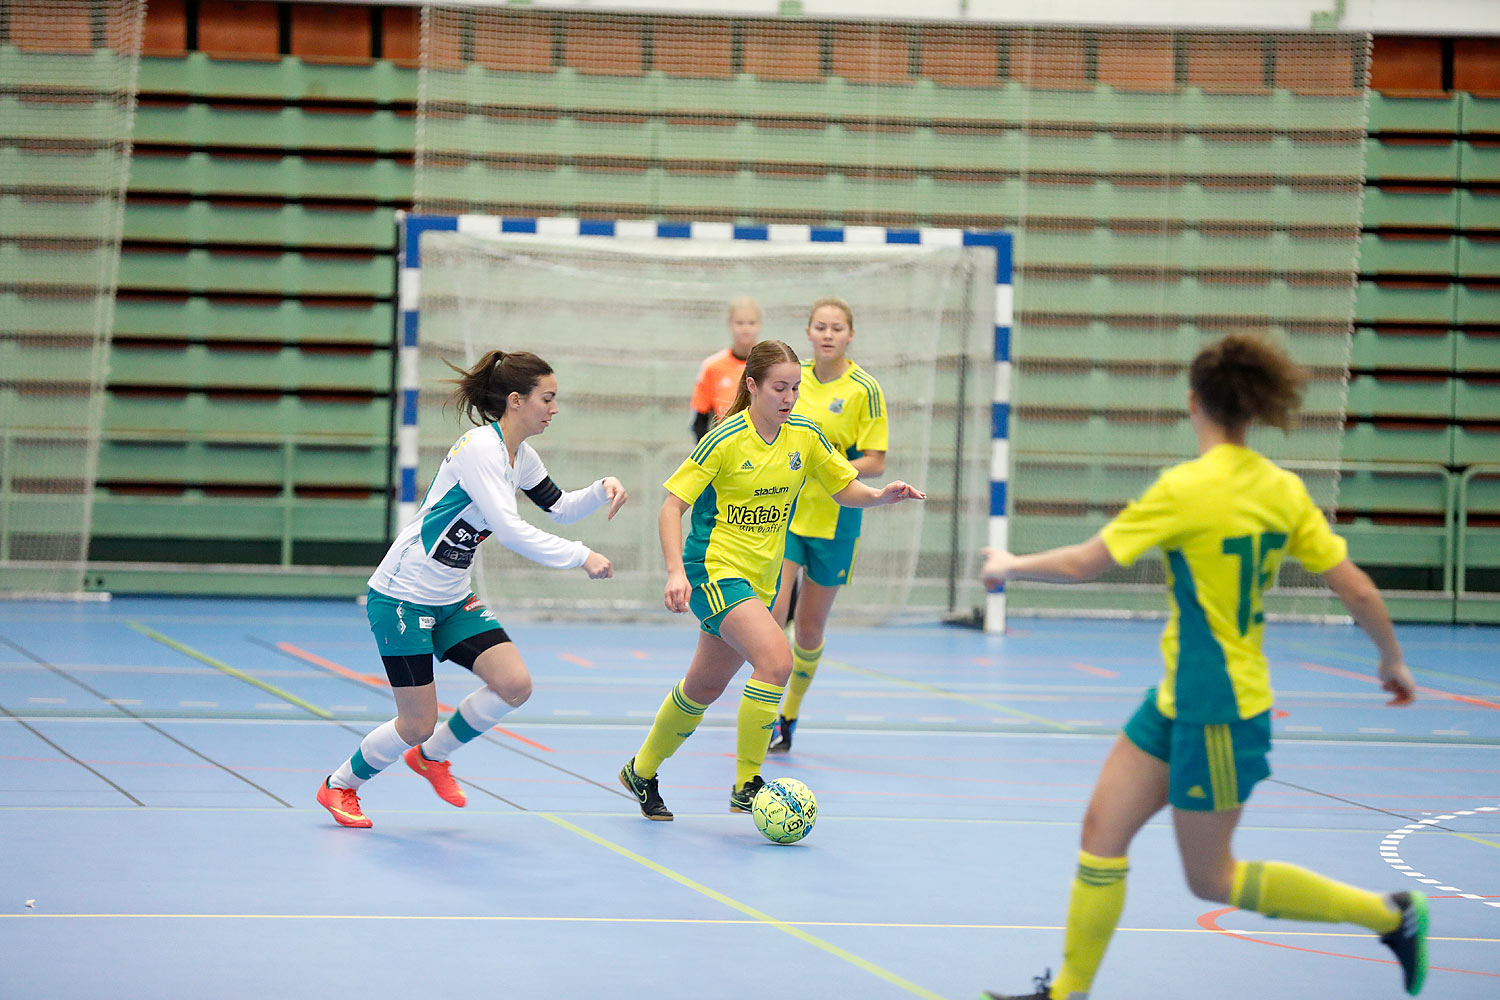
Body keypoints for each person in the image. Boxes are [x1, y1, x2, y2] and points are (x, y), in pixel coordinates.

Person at [978, 333, 1428, 999]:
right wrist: (1392, 660)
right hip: (1175, 699)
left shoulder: (1184, 489)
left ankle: (1389, 916)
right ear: (1251, 409)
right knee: (1102, 831)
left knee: (1212, 879)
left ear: (1195, 403)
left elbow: (1083, 562)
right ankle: (1068, 992)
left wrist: (1009, 564)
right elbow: (1358, 589)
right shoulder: (1282, 490)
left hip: (1220, 709)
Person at [316, 350, 627, 829]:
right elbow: (509, 529)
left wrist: (601, 488)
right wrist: (581, 556)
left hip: (452, 597)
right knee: (415, 722)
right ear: (517, 400)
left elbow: (559, 506)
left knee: (514, 684)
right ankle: (340, 785)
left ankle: (432, 758)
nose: (554, 408)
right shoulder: (481, 449)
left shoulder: (520, 454)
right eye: (548, 398)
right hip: (404, 595)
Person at [619, 339, 924, 820]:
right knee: (777, 659)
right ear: (752, 386)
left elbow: (845, 488)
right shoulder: (723, 440)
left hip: (759, 578)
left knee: (703, 687)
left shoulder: (803, 434)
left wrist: (880, 496)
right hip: (714, 570)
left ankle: (641, 769)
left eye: (796, 388)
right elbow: (670, 507)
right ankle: (747, 784)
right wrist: (676, 572)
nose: (789, 397)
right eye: (779, 387)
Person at [766, 296, 887, 754]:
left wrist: (827, 463)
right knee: (773, 616)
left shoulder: (864, 390)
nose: (829, 334)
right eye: (820, 326)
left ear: (850, 334)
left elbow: (875, 462)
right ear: (809, 332)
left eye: (837, 327)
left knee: (810, 630)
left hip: (838, 519)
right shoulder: (794, 383)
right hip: (789, 514)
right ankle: (767, 713)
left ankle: (790, 715)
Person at [691, 295, 762, 441]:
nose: (745, 328)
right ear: (730, 324)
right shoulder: (712, 366)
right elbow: (699, 420)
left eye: (751, 323)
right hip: (727, 447)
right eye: (740, 323)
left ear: (759, 325)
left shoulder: (772, 364)